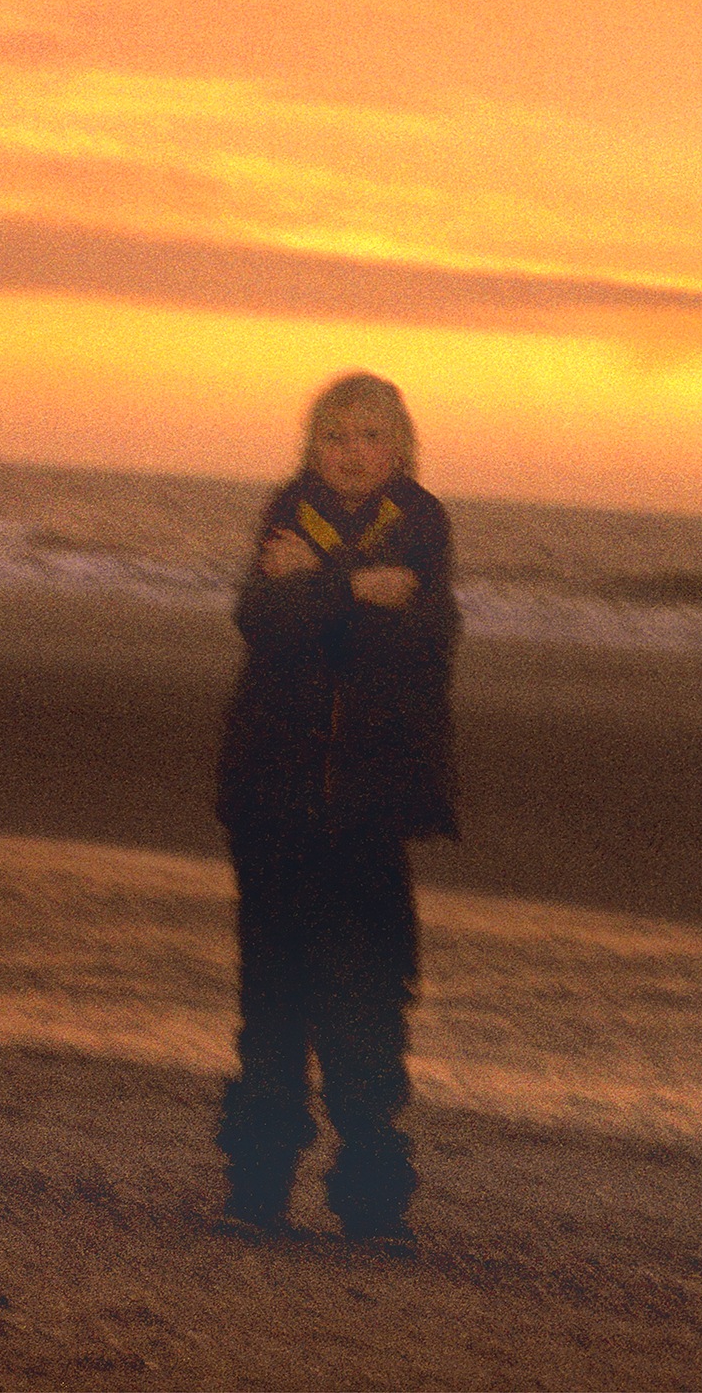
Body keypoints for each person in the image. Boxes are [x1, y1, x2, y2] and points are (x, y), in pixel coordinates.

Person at [214, 371, 459, 1249]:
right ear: (311, 447)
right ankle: (256, 1193)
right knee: (273, 1002)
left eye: (370, 436)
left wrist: (317, 586)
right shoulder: (287, 513)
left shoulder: (422, 524)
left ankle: (372, 1205)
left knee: (368, 1007)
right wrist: (356, 589)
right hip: (274, 802)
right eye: (335, 436)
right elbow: (260, 619)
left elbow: (423, 639)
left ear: (401, 446)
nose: (352, 453)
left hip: (369, 809)